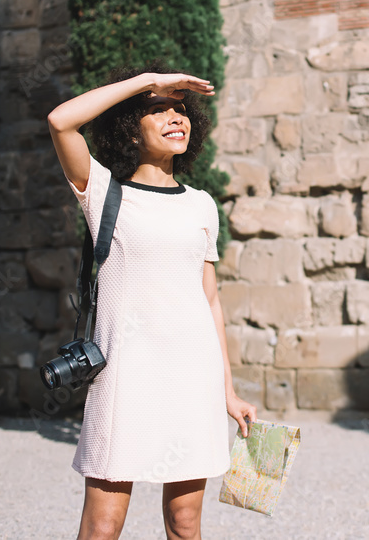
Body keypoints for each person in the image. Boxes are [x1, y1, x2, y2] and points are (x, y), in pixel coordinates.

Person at [47, 64, 258, 540]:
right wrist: (149, 81)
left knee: (185, 524)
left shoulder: (202, 204)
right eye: (157, 110)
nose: (174, 116)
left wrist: (227, 390)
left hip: (192, 378)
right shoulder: (102, 192)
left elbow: (210, 300)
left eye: (180, 110)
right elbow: (62, 120)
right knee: (103, 526)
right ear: (129, 128)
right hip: (126, 377)